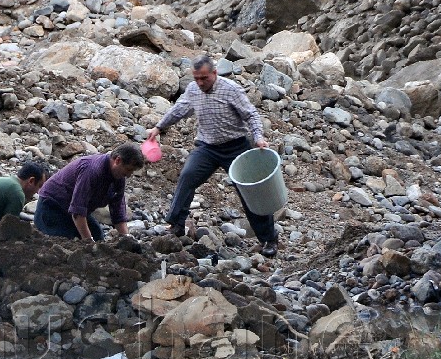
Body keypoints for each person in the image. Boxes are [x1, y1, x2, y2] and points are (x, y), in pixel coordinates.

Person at [146, 55, 279, 258]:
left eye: (204, 78)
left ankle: (269, 238)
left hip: (236, 147)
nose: (200, 83)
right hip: (207, 147)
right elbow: (179, 109)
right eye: (196, 78)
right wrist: (158, 127)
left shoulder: (230, 89)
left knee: (249, 192)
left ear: (214, 74)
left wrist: (258, 138)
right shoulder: (193, 90)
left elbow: (251, 114)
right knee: (188, 176)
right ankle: (176, 224)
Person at [34, 143, 145, 242]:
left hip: (74, 210)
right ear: (118, 160)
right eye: (128, 169)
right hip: (52, 207)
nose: (129, 175)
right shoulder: (92, 170)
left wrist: (127, 239)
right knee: (65, 243)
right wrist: (89, 243)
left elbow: (118, 211)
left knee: (98, 237)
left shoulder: (119, 176)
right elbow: (78, 211)